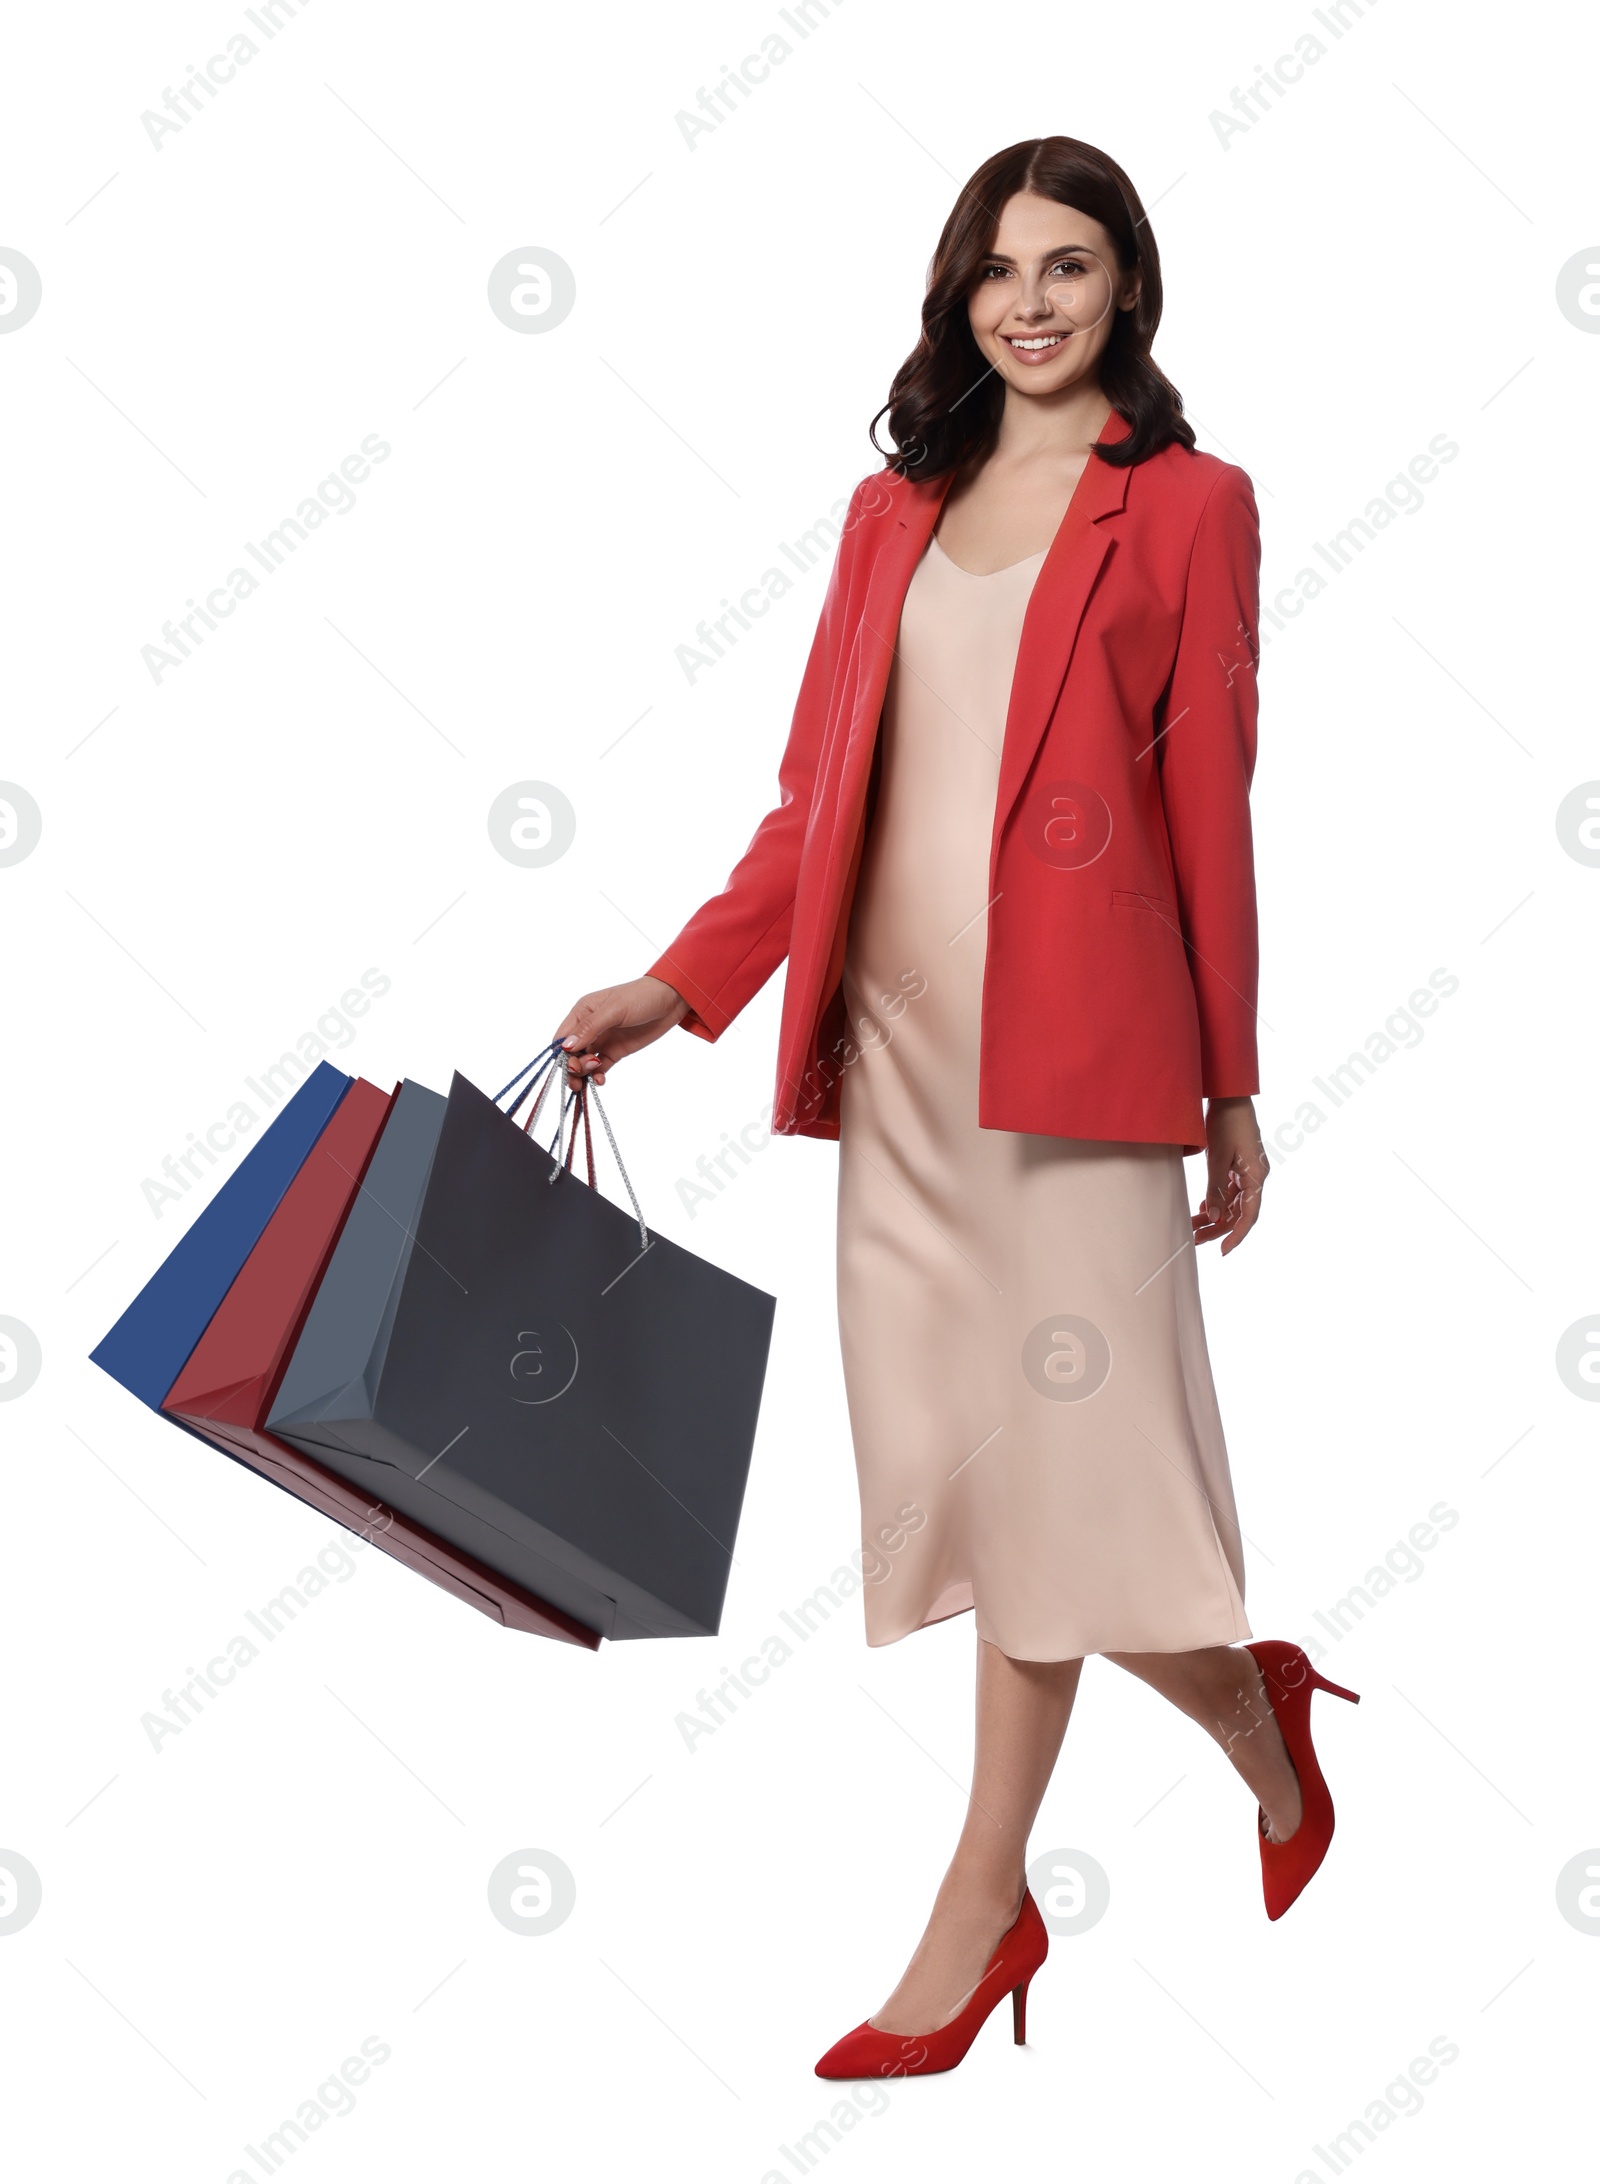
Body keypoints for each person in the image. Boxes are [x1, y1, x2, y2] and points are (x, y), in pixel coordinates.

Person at [556, 134, 1358, 2081]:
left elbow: (1206, 813)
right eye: (998, 267)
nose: (1029, 300)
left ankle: (978, 1900)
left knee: (1058, 1482)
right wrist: (683, 984)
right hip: (900, 1071)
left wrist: (1228, 1086)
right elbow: (812, 808)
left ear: (1125, 292)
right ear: (955, 294)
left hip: (1078, 1071)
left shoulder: (1182, 509)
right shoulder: (882, 514)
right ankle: (1250, 1723)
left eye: (1068, 266)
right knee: (986, 1487)